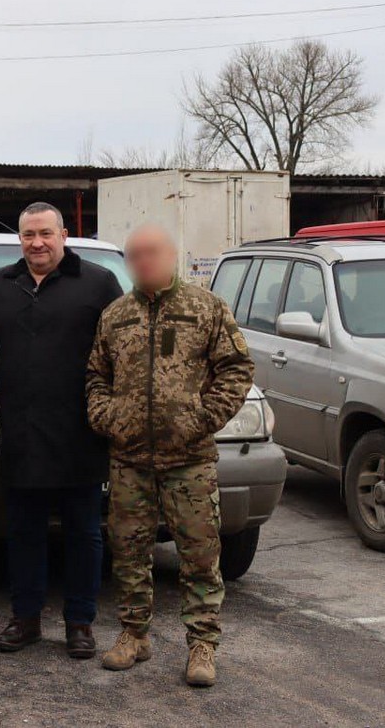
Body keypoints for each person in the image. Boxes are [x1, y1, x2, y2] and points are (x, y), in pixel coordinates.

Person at [85, 223, 254, 687]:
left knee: (199, 554)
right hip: (129, 459)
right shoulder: (115, 315)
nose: (144, 262)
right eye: (135, 256)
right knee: (128, 551)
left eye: (152, 253)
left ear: (172, 256)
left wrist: (201, 417)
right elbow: (96, 375)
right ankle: (133, 634)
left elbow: (237, 370)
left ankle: (202, 645)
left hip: (190, 459)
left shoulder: (206, 308)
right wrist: (108, 417)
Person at [0, 203, 124, 659]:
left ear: (63, 234)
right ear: (19, 240)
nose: (36, 243)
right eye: (27, 235)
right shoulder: (0, 285)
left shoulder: (99, 283)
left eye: (44, 234)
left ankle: (80, 624)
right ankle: (26, 620)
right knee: (24, 534)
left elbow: (126, 349)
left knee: (84, 535)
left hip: (81, 436)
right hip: (20, 435)